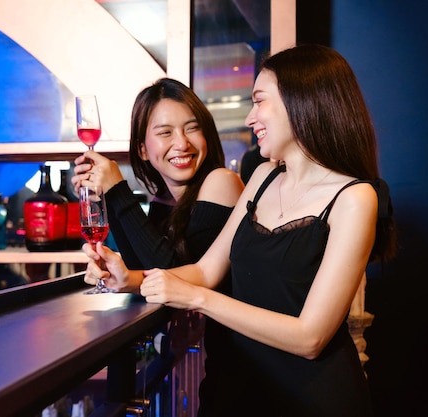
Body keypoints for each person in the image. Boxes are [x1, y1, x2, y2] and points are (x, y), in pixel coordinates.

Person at [82, 45, 397, 416]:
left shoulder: (355, 197)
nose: (250, 118)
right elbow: (205, 271)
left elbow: (311, 337)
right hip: (236, 389)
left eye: (259, 101)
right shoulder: (263, 177)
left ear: (301, 101)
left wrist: (198, 299)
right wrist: (129, 279)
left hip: (311, 398)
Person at [72, 78, 244, 412]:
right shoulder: (166, 201)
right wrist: (111, 266)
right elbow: (143, 270)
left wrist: (119, 188)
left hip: (251, 372)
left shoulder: (222, 182)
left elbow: (172, 276)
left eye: (192, 128)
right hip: (222, 367)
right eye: (165, 133)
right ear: (141, 149)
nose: (181, 143)